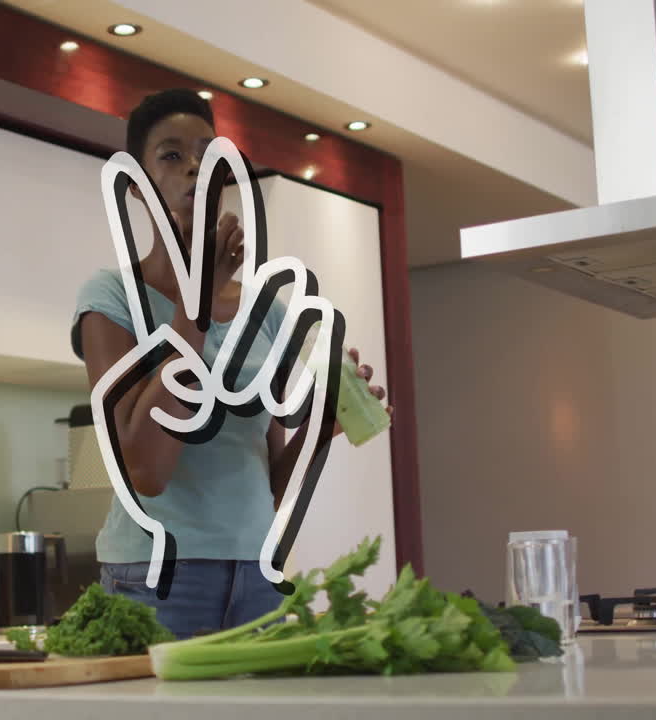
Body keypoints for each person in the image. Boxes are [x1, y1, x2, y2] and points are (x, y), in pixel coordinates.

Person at [70, 88, 391, 640]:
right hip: (155, 578)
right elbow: (146, 470)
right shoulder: (112, 297)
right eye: (171, 155)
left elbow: (264, 485)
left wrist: (322, 426)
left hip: (258, 573)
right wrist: (196, 307)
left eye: (207, 153)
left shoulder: (263, 310)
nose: (196, 167)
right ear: (139, 189)